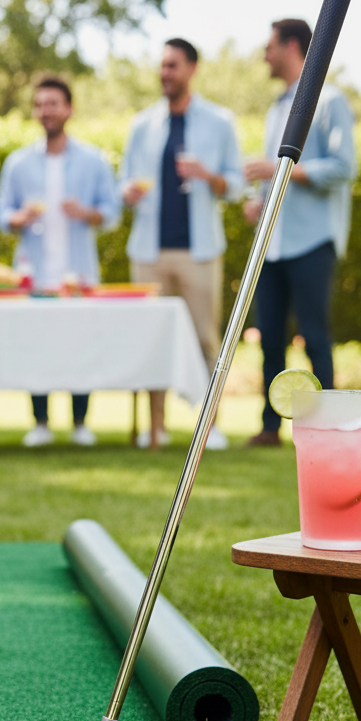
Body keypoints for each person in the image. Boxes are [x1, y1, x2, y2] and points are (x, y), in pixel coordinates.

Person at [120, 39, 244, 451]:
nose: (165, 73)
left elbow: (236, 186)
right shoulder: (142, 124)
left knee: (207, 340)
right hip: (149, 252)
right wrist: (129, 192)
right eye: (161, 66)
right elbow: (124, 179)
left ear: (192, 68)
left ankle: (209, 427)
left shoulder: (219, 121)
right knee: (150, 341)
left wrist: (209, 176)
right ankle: (154, 429)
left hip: (200, 250)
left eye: (172, 66)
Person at [244, 18, 355, 446]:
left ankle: (327, 428)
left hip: (313, 242)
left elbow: (344, 168)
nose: (264, 55)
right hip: (271, 246)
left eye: (269, 46)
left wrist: (282, 170)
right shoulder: (276, 107)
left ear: (291, 46)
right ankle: (270, 429)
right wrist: (262, 199)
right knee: (269, 338)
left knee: (315, 335)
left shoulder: (331, 101)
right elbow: (278, 176)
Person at [0, 76, 119, 447]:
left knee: (80, 345)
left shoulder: (93, 160)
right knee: (36, 345)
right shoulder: (18, 163)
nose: (46, 110)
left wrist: (87, 212)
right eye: (40, 104)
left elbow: (111, 213)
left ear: (69, 109)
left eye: (53, 103)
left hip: (78, 273)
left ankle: (81, 423)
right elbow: (1, 214)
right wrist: (16, 219)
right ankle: (41, 422)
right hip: (34, 274)